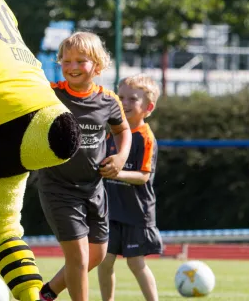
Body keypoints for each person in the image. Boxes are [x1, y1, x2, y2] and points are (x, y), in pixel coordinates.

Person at [38, 32, 132, 301]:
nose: (72, 67)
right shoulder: (50, 94)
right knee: (78, 258)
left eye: (81, 60)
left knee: (97, 255)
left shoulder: (109, 100)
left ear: (98, 66)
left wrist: (121, 156)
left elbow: (122, 129)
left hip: (94, 189)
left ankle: (47, 293)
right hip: (58, 188)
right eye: (66, 61)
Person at [98, 74, 162, 301]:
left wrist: (118, 172)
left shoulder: (145, 138)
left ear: (148, 107)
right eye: (121, 97)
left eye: (132, 99)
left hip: (136, 212)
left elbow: (144, 176)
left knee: (136, 262)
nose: (124, 103)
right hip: (110, 211)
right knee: (104, 260)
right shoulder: (110, 133)